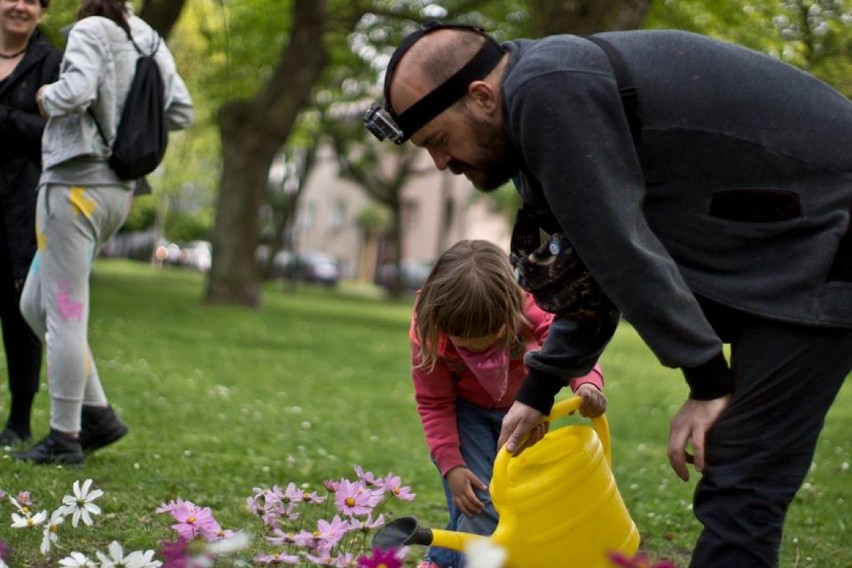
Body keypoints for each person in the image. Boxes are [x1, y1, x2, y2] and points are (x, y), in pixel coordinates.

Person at [364, 22, 852, 568]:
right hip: (786, 251)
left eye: (437, 141)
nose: (440, 163)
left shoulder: (547, 90)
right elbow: (589, 272)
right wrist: (539, 389)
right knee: (740, 467)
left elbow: (618, 245)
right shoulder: (538, 113)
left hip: (825, 240)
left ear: (480, 96)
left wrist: (708, 381)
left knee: (744, 470)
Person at [13, 0, 193, 465]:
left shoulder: (91, 28)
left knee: (65, 313)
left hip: (74, 185)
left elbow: (73, 93)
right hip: (118, 190)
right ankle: (98, 416)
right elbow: (180, 111)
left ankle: (64, 436)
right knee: (36, 304)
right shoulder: (147, 35)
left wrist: (42, 96)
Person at [410, 239, 606, 568]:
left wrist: (586, 382)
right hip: (466, 416)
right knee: (479, 501)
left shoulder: (533, 308)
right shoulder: (431, 334)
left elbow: (570, 343)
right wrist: (452, 465)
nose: (474, 349)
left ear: (510, 311)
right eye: (463, 344)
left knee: (517, 501)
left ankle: (443, 559)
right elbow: (434, 403)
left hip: (524, 412)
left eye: (489, 339)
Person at [0, 0, 61, 447]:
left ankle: (19, 420)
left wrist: (4, 119)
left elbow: (59, 132)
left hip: (25, 206)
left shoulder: (54, 63)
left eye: (33, 0)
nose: (20, 6)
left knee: (21, 312)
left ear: (42, 11)